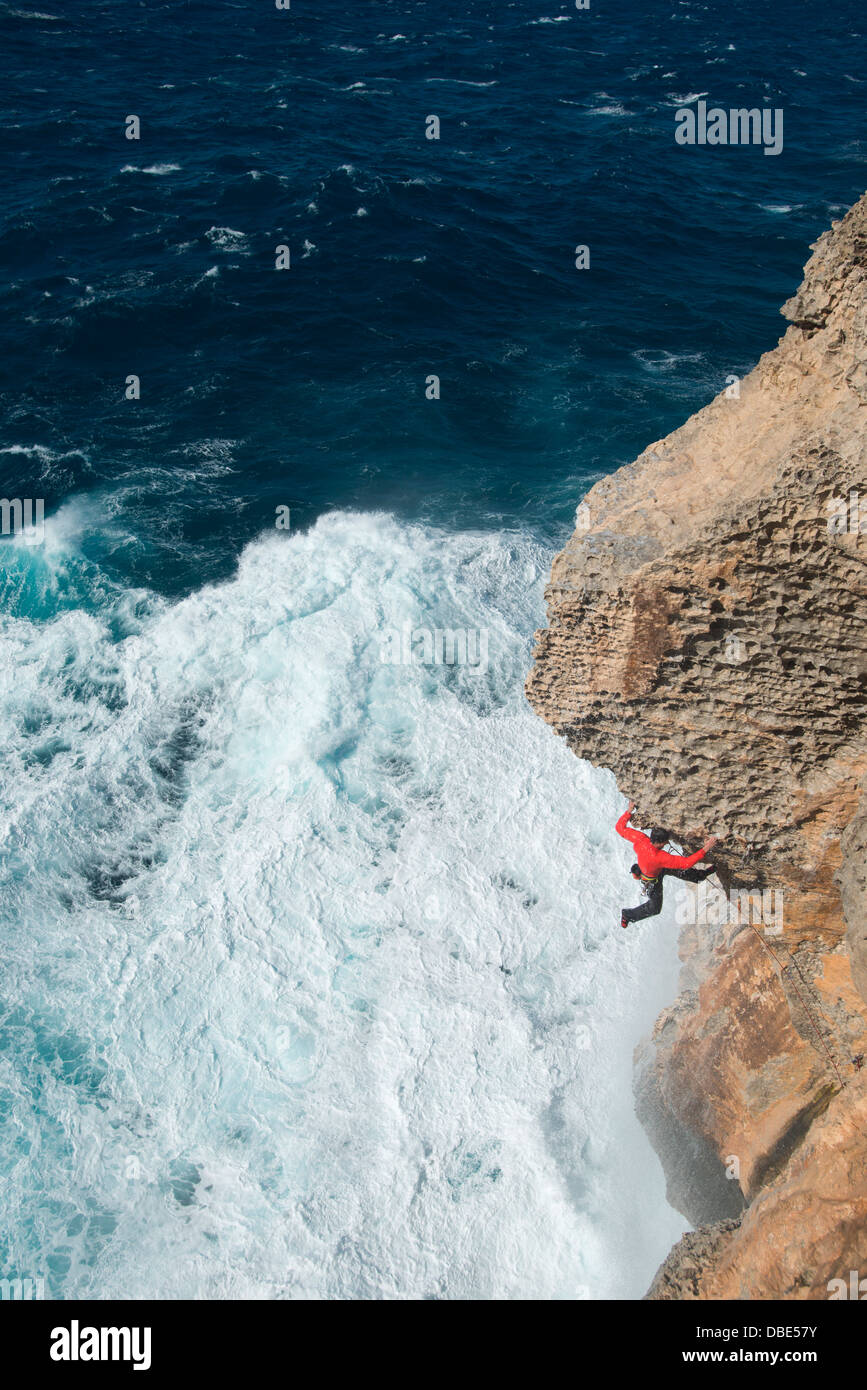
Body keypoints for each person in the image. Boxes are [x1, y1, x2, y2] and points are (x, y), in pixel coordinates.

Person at [616, 801, 719, 929]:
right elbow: (686, 863)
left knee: (689, 874)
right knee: (654, 908)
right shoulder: (660, 857)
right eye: (665, 842)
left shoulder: (641, 840)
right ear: (659, 842)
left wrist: (629, 811)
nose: (666, 844)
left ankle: (705, 872)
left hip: (656, 869)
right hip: (652, 879)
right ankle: (628, 914)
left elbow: (620, 828)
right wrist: (707, 847)